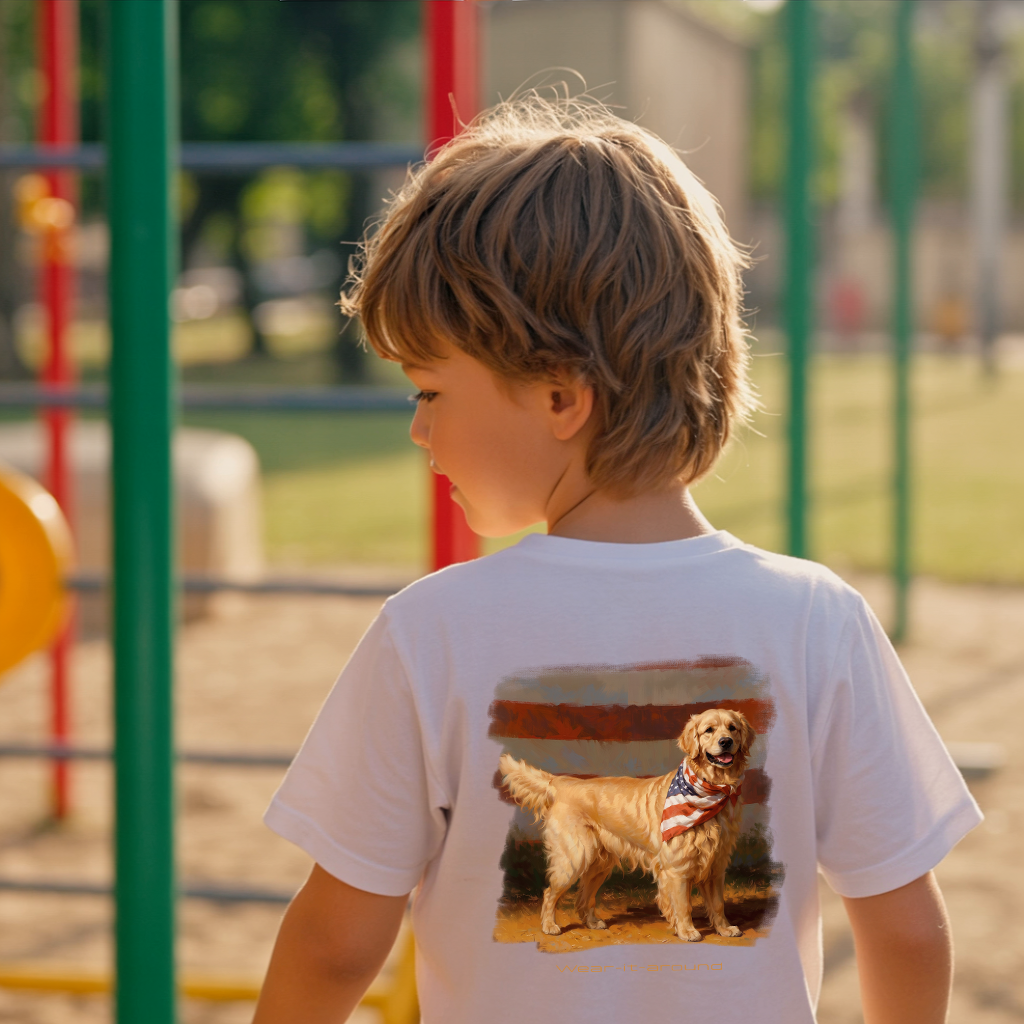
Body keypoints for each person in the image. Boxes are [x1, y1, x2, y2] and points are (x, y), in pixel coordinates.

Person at [252, 94, 980, 1024]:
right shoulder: (816, 620)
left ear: (561, 396)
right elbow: (908, 931)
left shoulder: (429, 634)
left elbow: (332, 946)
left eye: (431, 389)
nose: (418, 429)